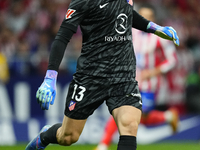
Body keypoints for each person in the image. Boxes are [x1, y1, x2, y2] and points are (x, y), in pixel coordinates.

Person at [25, 0, 179, 150]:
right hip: (91, 76)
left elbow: (126, 14)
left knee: (130, 125)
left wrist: (155, 28)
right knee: (68, 136)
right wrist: (50, 78)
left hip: (123, 75)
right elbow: (62, 38)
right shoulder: (83, 2)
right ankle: (45, 136)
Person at [94, 3, 179, 150]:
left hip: (150, 83)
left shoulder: (160, 37)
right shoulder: (132, 32)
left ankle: (168, 116)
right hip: (130, 79)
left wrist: (154, 72)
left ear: (153, 18)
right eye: (143, 15)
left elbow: (172, 60)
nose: (145, 18)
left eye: (149, 16)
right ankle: (103, 145)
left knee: (141, 116)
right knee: (122, 108)